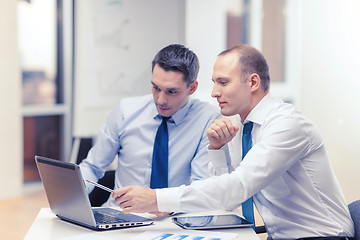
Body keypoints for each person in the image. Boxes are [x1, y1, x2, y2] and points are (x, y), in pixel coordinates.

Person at [112, 44, 355, 239]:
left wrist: (156, 198)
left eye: (223, 82)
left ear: (252, 82)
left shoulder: (286, 125)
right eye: (214, 82)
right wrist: (217, 149)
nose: (214, 92)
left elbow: (238, 187)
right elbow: (226, 197)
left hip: (323, 236)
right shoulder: (241, 125)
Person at [80, 44, 221, 207]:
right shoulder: (126, 112)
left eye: (172, 91)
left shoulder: (207, 121)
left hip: (174, 221)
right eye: (156, 88)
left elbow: (201, 189)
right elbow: (92, 166)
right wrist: (70, 197)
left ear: (192, 88)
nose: (161, 100)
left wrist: (162, 203)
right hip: (119, 216)